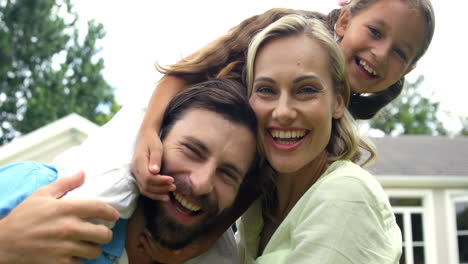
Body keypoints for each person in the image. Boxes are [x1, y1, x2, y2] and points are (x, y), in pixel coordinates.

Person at [131, 0, 435, 200]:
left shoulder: (335, 121)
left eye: (399, 53)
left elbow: (257, 183)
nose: (380, 53)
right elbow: (186, 71)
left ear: (407, 70)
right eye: (374, 31)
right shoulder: (283, 31)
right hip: (159, 120)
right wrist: (148, 131)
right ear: (344, 20)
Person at [0, 78, 259, 264]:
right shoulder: (33, 188)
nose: (201, 183)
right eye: (192, 150)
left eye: (228, 174)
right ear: (155, 142)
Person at [234, 14, 401, 263]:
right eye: (266, 90)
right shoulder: (255, 205)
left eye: (307, 90)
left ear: (338, 101)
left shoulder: (347, 195)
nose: (282, 112)